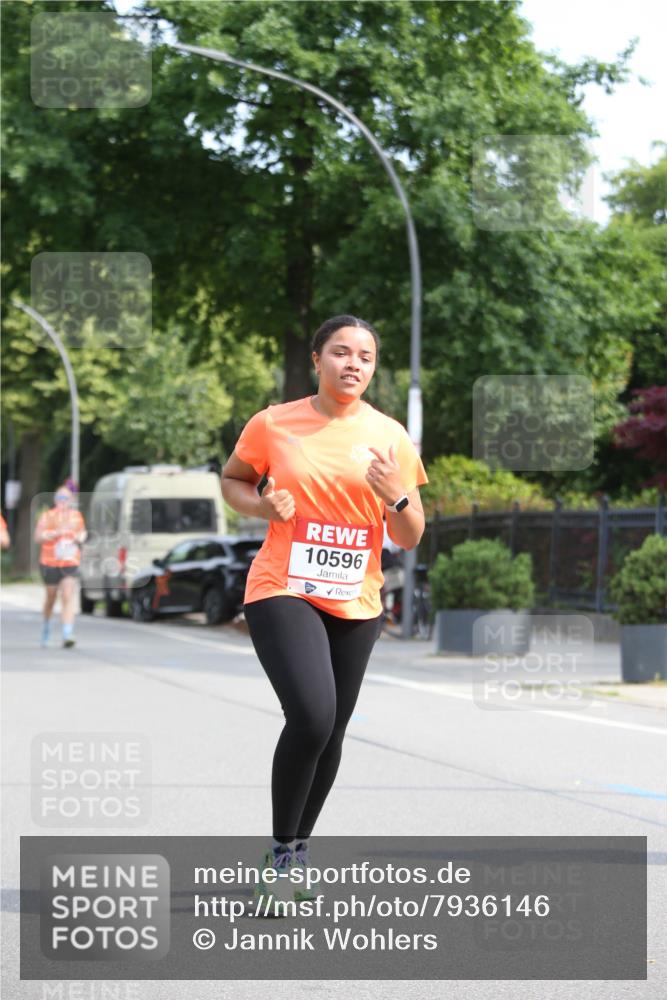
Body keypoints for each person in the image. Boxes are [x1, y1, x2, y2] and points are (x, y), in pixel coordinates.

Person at [221, 314, 429, 914]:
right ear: (318, 359)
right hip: (283, 584)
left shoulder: (390, 436)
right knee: (312, 716)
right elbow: (233, 481)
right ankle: (283, 854)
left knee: (333, 730)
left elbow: (411, 534)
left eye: (364, 356)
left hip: (357, 599)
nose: (353, 364)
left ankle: (293, 850)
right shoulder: (274, 422)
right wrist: (262, 502)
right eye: (341, 352)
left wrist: (396, 495)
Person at [34, 482, 87, 648]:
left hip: (69, 561)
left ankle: (67, 633)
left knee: (67, 594)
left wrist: (81, 538)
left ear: (71, 499)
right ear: (55, 499)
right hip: (49, 562)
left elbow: (82, 532)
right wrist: (53, 533)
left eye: (66, 497)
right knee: (51, 598)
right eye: (59, 497)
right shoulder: (48, 516)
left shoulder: (76, 516)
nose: (62, 500)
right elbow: (38, 537)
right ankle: (46, 628)